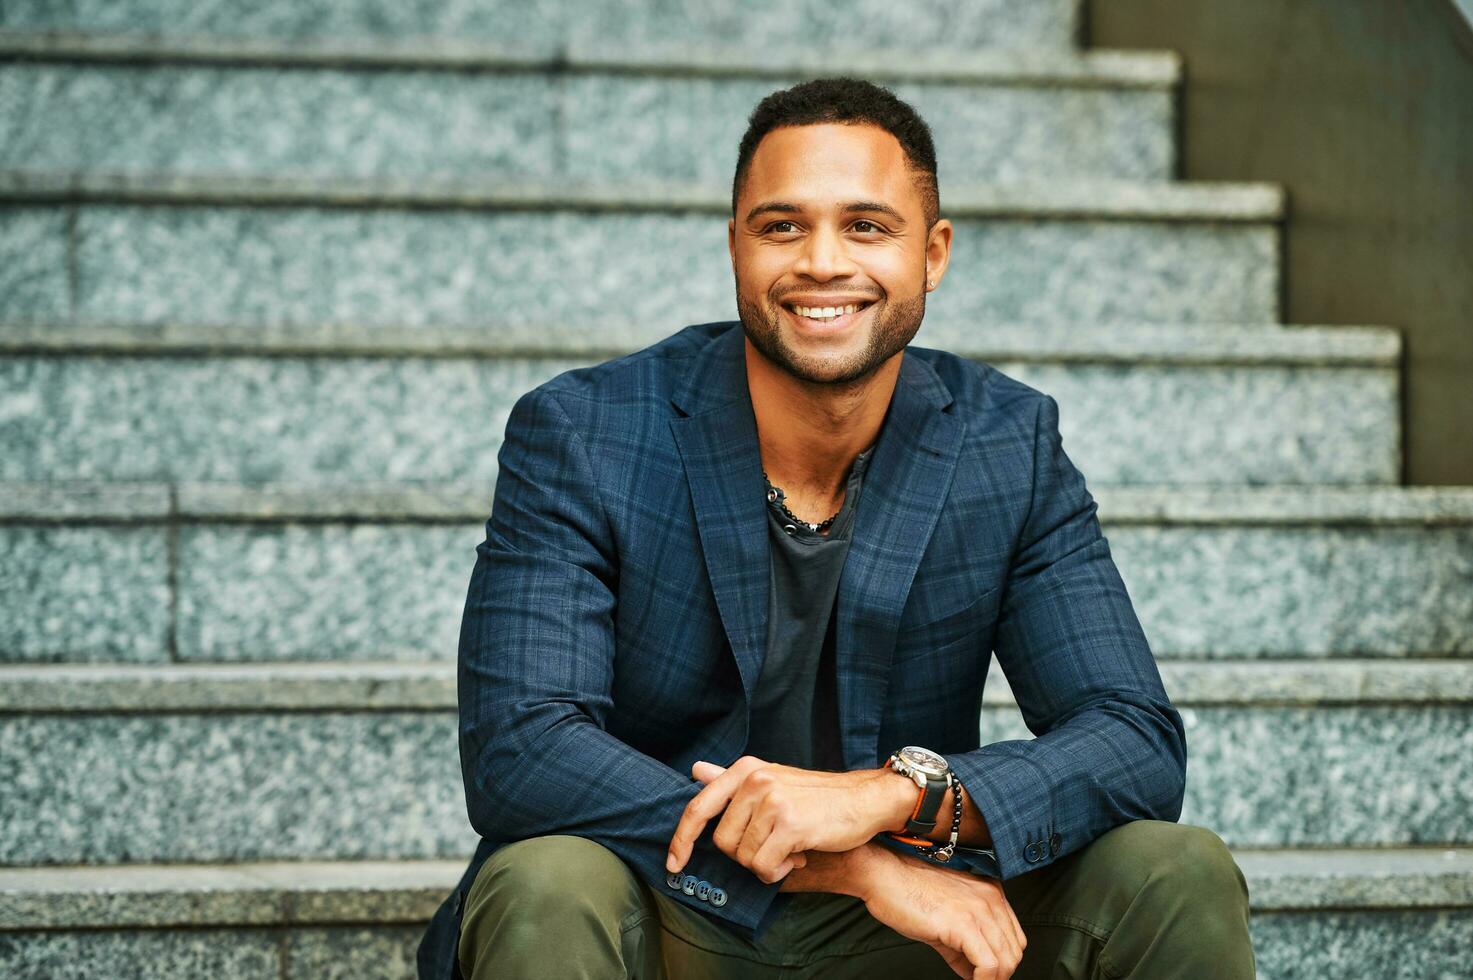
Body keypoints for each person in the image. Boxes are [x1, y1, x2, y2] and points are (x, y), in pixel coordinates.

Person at [418, 77, 1255, 979]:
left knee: (1173, 869)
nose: (822, 261)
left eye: (866, 226)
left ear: (932, 253)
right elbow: (520, 749)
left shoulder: (1006, 443)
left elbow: (1132, 739)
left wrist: (896, 799)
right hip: (669, 902)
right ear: (735, 246)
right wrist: (851, 867)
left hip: (916, 928)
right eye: (781, 226)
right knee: (545, 877)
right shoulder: (587, 431)